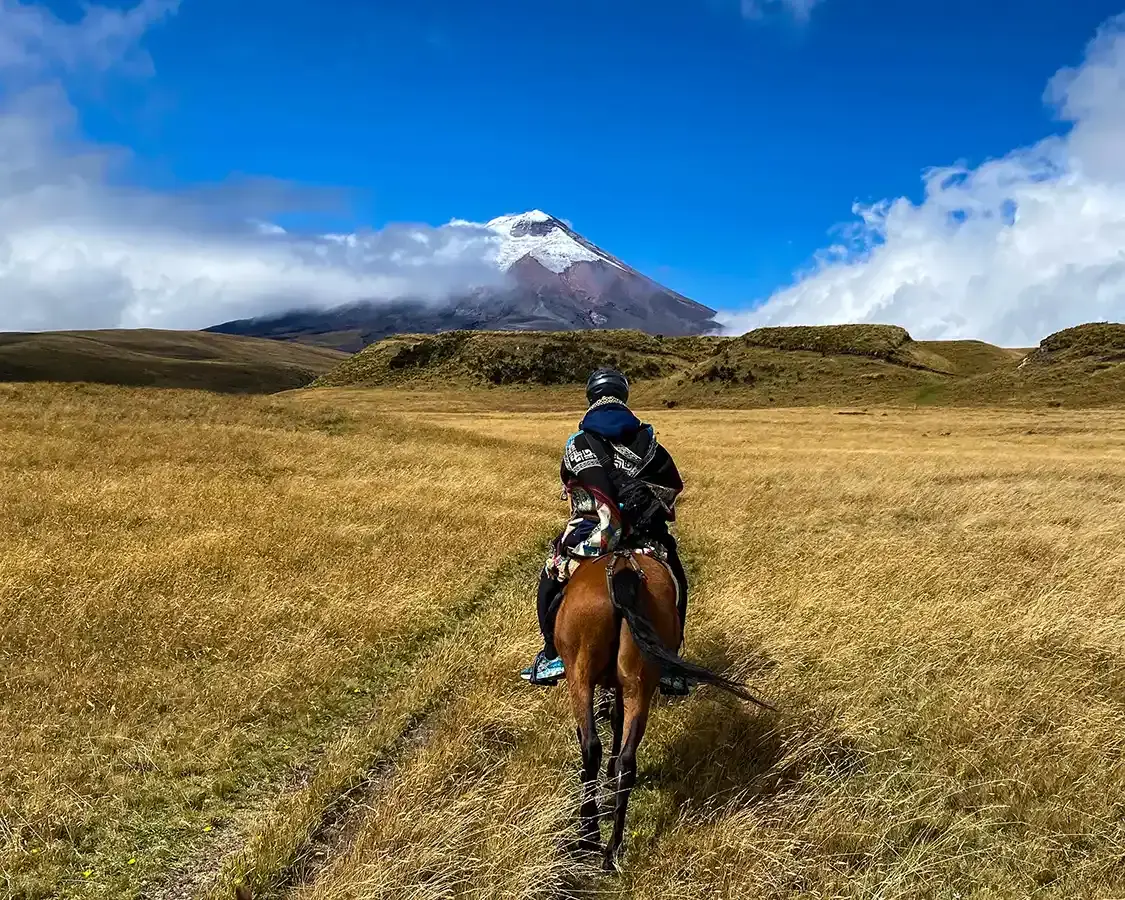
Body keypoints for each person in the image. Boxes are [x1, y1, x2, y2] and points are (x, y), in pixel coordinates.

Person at [520, 367, 690, 694]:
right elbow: (670, 484)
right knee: (677, 582)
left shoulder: (578, 441)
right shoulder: (648, 440)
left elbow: (572, 484)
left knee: (551, 575)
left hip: (592, 534)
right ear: (624, 396)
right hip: (645, 536)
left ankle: (552, 655)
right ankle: (670, 664)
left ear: (591, 397)